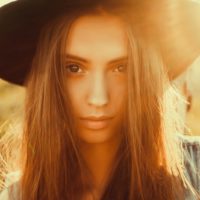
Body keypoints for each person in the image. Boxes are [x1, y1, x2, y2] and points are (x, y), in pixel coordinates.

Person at [0, 0, 200, 200]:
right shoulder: (18, 195)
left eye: (121, 68)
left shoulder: (195, 174)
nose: (99, 98)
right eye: (74, 68)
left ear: (145, 76)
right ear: (47, 79)